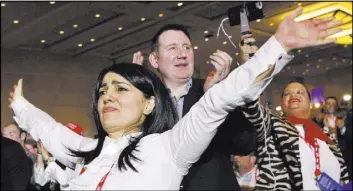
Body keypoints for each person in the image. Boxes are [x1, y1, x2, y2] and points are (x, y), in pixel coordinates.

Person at [8, 7, 341, 190]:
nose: (108, 95)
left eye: (121, 88)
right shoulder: (88, 150)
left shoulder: (166, 147)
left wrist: (278, 46)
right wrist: (20, 107)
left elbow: (218, 102)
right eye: (103, 90)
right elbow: (49, 130)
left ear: (150, 103)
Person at [132, 24, 255, 190]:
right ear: (155, 60)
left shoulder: (210, 90)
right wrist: (133, 92)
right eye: (172, 48)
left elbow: (244, 144)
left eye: (187, 47)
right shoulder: (147, 101)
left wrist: (216, 97)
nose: (182, 54)